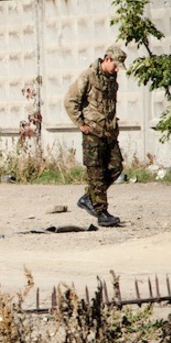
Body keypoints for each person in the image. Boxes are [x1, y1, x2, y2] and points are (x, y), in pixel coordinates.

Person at [64, 44, 127, 227]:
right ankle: (102, 213)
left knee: (116, 167)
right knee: (96, 173)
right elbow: (70, 101)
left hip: (109, 133)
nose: (117, 69)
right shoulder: (88, 76)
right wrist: (80, 124)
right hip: (93, 132)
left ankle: (88, 198)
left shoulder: (111, 80)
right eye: (115, 65)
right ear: (107, 59)